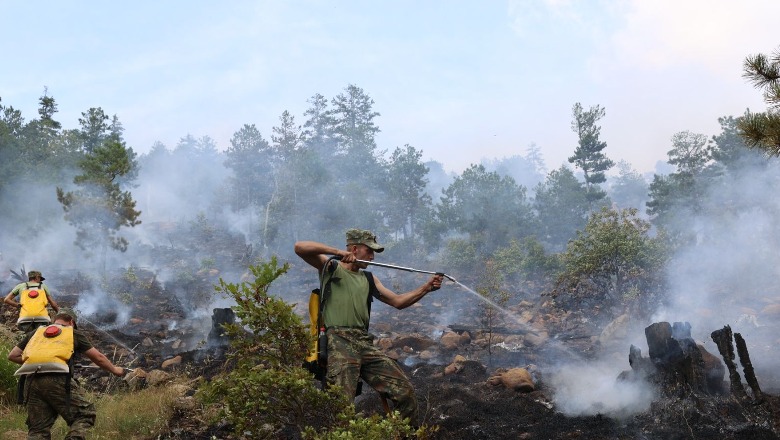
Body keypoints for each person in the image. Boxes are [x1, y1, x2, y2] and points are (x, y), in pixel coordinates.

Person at [294, 228, 443, 426]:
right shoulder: (331, 268)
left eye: (374, 253)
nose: (372, 257)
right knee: (341, 405)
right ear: (354, 249)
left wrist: (426, 288)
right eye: (369, 251)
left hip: (364, 343)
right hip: (338, 342)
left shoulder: (369, 278)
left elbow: (398, 302)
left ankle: (404, 434)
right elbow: (300, 248)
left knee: (404, 392)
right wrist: (338, 253)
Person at [7, 310, 127, 440]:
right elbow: (99, 358)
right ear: (71, 322)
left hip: (31, 381)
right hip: (57, 379)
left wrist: (38, 363)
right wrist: (115, 370)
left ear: (55, 321)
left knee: (37, 430)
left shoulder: (36, 333)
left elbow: (13, 355)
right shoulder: (73, 333)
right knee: (85, 414)